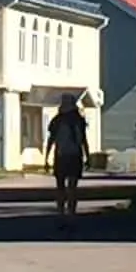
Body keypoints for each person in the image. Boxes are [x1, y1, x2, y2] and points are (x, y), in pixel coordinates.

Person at [44, 92, 90, 226]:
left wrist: (46, 158)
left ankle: (61, 212)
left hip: (61, 155)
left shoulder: (57, 120)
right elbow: (83, 140)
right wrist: (87, 156)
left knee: (60, 186)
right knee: (72, 186)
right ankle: (71, 212)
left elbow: (51, 140)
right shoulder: (79, 120)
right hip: (75, 156)